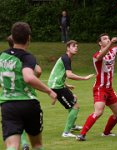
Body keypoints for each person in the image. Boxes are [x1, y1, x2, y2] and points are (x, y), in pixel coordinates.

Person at [76, 26, 117, 141]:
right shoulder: (96, 56)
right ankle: (82, 134)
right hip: (100, 88)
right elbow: (101, 56)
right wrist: (110, 43)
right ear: (99, 43)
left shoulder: (113, 51)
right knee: (98, 112)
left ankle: (106, 132)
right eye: (105, 39)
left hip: (109, 89)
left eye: (108, 38)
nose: (107, 40)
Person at [0, 22, 57, 150]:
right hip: (29, 103)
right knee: (36, 144)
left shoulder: (2, 56)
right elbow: (29, 77)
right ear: (28, 38)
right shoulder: (27, 57)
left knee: (12, 146)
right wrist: (49, 91)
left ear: (12, 38)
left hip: (8, 105)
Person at [48, 40, 94, 138]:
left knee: (74, 98)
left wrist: (66, 85)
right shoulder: (66, 58)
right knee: (75, 106)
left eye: (77, 46)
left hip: (57, 85)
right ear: (68, 48)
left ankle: (72, 126)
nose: (76, 48)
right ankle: (66, 132)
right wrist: (84, 78)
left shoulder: (66, 58)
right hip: (56, 87)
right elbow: (69, 75)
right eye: (73, 46)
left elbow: (59, 73)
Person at [6, 35, 42, 150]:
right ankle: (26, 143)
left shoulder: (4, 58)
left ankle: (24, 143)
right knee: (37, 144)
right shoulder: (26, 57)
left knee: (14, 133)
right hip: (27, 98)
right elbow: (38, 71)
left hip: (9, 100)